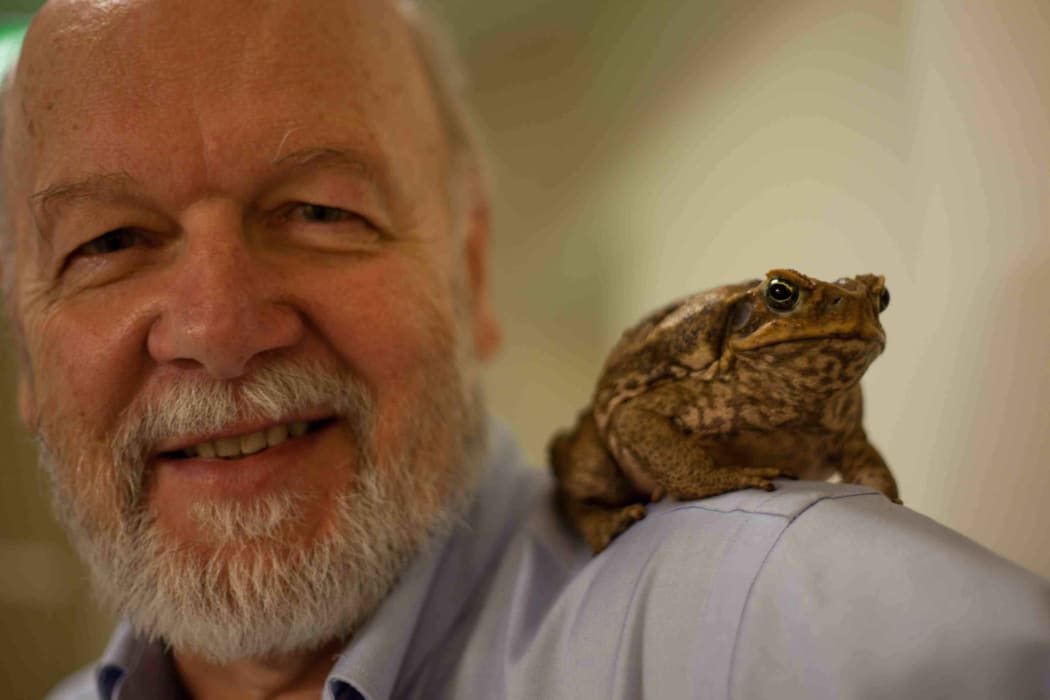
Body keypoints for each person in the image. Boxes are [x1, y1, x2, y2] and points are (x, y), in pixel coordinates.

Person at [0, 0, 1046, 698]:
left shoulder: (768, 607)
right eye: (108, 243)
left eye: (320, 210)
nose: (218, 331)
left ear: (473, 271)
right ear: (26, 359)